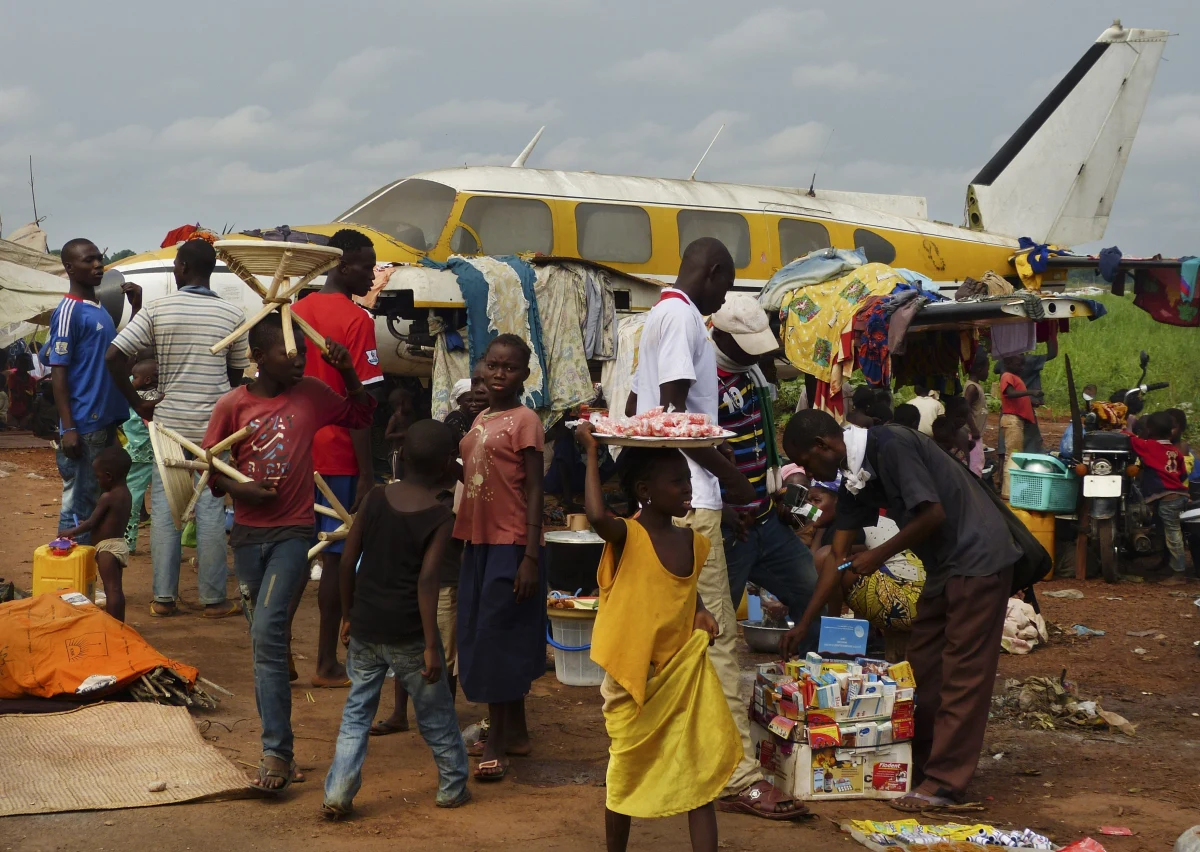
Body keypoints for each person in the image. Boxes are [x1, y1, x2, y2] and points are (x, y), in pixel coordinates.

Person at [626, 239, 802, 821]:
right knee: (718, 637)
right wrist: (733, 481)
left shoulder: (657, 317)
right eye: (725, 286)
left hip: (676, 498)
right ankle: (737, 776)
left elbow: (639, 406)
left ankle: (678, 754)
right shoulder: (681, 319)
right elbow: (675, 417)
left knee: (677, 638)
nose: (723, 298)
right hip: (693, 500)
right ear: (715, 271)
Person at [780, 411, 1022, 811]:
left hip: (978, 558)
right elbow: (836, 557)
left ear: (824, 445)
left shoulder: (891, 444)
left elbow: (933, 513)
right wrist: (804, 623)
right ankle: (921, 765)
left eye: (806, 462)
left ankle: (944, 783)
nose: (809, 473)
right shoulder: (854, 477)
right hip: (943, 567)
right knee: (921, 667)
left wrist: (878, 555)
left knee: (962, 673)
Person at [203, 313, 376, 793]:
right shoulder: (231, 406)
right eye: (289, 351)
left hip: (293, 534)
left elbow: (362, 416)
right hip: (247, 538)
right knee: (266, 644)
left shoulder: (312, 395)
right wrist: (240, 488)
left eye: (302, 349)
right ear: (259, 357)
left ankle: (275, 753)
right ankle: (281, 749)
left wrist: (347, 372)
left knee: (266, 633)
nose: (300, 358)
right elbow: (210, 469)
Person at [578, 427, 739, 852]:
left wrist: (701, 609)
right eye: (677, 481)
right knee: (625, 770)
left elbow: (682, 588)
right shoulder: (626, 535)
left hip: (679, 675)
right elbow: (596, 516)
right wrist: (591, 452)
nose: (688, 489)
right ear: (645, 491)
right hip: (633, 678)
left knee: (698, 774)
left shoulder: (693, 541)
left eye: (688, 480)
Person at [322, 419, 471, 818]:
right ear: (447, 465)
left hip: (366, 625)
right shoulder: (440, 517)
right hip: (409, 634)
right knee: (436, 715)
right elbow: (427, 581)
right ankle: (452, 787)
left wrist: (348, 615)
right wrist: (431, 646)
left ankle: (337, 792)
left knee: (356, 714)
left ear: (401, 456)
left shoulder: (374, 497)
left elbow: (347, 562)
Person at [107, 237, 248, 618]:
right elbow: (236, 376)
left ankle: (164, 598)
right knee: (211, 508)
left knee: (167, 509)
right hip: (214, 429)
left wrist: (137, 402)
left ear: (183, 267)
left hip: (168, 427)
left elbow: (114, 355)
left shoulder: (158, 309)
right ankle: (214, 599)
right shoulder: (233, 315)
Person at [290, 229, 386, 688]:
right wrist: (367, 473)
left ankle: (280, 650)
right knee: (334, 557)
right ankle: (326, 662)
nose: (372, 275)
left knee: (293, 554)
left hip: (295, 451)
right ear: (343, 266)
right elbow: (362, 403)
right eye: (366, 266)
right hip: (339, 454)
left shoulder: (294, 311)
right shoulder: (357, 320)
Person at [455, 333, 545, 781]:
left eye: (509, 368)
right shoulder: (482, 417)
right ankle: (517, 733)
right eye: (492, 365)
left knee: (496, 637)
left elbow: (535, 488)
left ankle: (496, 742)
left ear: (524, 374)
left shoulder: (525, 420)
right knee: (489, 632)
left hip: (511, 542)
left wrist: (530, 554)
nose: (498, 374)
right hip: (478, 540)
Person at [710, 294, 819, 649]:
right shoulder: (703, 377)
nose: (755, 355)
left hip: (766, 516)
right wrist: (722, 511)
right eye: (747, 346)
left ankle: (806, 668)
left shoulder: (752, 375)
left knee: (810, 587)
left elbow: (761, 443)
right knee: (718, 618)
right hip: (730, 525)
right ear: (720, 335)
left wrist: (778, 493)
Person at [50, 239, 135, 543]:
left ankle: (84, 570)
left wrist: (136, 308)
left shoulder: (99, 310)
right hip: (84, 425)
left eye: (99, 259)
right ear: (70, 268)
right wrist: (69, 427)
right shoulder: (68, 311)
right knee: (79, 505)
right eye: (89, 260)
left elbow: (120, 356)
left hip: (104, 422)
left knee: (95, 503)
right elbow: (58, 371)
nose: (98, 265)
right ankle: (68, 569)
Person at [58, 445, 134, 621]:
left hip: (107, 549)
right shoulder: (126, 494)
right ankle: (120, 624)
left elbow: (91, 522)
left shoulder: (107, 497)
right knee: (116, 589)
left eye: (98, 477)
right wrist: (87, 524)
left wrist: (71, 531)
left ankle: (113, 625)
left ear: (108, 476)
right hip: (119, 545)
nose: (97, 481)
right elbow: (108, 521)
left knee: (111, 590)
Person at [1128, 411, 1190, 585]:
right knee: (1166, 531)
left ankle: (1179, 573)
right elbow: (1183, 474)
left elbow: (1131, 439)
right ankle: (1168, 564)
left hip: (1168, 499)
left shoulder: (1150, 446)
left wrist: (1129, 425)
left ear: (1149, 430)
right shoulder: (1175, 451)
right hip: (1178, 495)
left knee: (1172, 534)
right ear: (1171, 431)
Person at [993, 334, 1056, 454]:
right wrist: (1049, 334)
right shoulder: (1028, 361)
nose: (1021, 367)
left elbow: (996, 369)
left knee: (1007, 445)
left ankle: (1006, 461)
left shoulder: (1005, 363)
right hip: (1020, 411)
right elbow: (1052, 354)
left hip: (1010, 410)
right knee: (1022, 445)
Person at [121, 359, 158, 554]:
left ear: (147, 379)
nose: (132, 380)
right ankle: (167, 548)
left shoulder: (135, 397)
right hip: (159, 453)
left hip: (138, 454)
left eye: (135, 377)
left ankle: (128, 542)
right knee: (164, 502)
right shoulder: (160, 396)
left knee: (132, 501)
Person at [999, 356, 1043, 499]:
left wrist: (1031, 401)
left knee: (1014, 455)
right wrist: (1031, 392)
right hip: (1012, 421)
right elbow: (1010, 393)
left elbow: (1017, 398)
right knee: (1013, 456)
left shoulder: (1014, 377)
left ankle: (1011, 491)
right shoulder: (1007, 376)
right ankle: (1008, 492)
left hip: (1016, 421)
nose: (1022, 368)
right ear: (1008, 363)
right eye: (1019, 364)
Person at [963, 355, 989, 477]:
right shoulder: (972, 388)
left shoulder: (975, 386)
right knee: (975, 466)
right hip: (972, 434)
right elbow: (965, 408)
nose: (987, 372)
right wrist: (974, 429)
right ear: (979, 369)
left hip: (974, 434)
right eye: (987, 369)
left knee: (975, 463)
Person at [386, 387, 416, 480]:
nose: (411, 404)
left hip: (408, 451)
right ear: (402, 403)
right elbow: (387, 435)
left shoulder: (411, 415)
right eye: (409, 402)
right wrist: (403, 434)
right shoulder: (395, 418)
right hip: (397, 452)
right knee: (397, 477)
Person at [442, 377, 482, 444]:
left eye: (478, 400)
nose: (474, 404)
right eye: (469, 401)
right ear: (458, 401)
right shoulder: (455, 419)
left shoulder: (480, 416)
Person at [6, 353, 36, 428]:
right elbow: (12, 394)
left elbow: (34, 397)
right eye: (22, 363)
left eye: (25, 364)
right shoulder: (12, 378)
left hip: (26, 412)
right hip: (13, 411)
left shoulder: (32, 380)